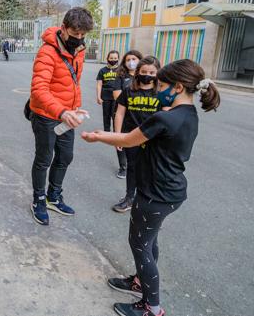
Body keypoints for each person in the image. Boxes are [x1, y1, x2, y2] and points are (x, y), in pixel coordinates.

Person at [81, 59, 220, 316]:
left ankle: (152, 308)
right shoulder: (188, 114)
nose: (157, 88)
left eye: (162, 84)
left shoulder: (165, 119)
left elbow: (128, 139)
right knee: (148, 239)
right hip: (169, 190)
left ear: (178, 87)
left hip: (156, 193)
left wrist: (97, 136)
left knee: (140, 244)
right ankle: (139, 281)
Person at [28, 7, 93, 226]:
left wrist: (74, 108)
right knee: (44, 159)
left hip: (67, 114)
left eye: (84, 35)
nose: (80, 39)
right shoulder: (47, 52)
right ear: (63, 28)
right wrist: (62, 111)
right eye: (76, 35)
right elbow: (39, 89)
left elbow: (73, 82)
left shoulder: (80, 50)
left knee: (65, 157)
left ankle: (53, 196)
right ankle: (38, 200)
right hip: (47, 115)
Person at [112, 55, 161, 213]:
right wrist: (118, 137)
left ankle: (146, 201)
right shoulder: (128, 90)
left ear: (158, 73)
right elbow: (119, 114)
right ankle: (129, 198)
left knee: (150, 170)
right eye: (144, 71)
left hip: (153, 139)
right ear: (138, 71)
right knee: (132, 168)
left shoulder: (161, 93)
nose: (148, 75)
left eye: (152, 72)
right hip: (131, 137)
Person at [112, 49, 142, 179]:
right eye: (128, 60)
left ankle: (136, 165)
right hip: (121, 113)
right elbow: (116, 95)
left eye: (134, 59)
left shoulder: (144, 76)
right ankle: (123, 167)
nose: (131, 62)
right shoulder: (120, 76)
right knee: (120, 139)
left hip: (139, 115)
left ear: (140, 60)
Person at [96, 50, 120, 133]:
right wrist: (98, 97)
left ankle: (116, 131)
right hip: (105, 96)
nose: (113, 60)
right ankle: (106, 131)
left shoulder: (121, 70)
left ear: (118, 59)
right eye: (111, 58)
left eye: (115, 58)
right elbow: (99, 84)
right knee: (106, 115)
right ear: (107, 58)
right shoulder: (102, 70)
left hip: (117, 97)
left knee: (115, 115)